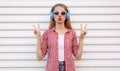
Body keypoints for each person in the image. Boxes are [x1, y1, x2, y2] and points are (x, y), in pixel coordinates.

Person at [33, 3, 87, 71]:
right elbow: (39, 58)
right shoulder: (47, 33)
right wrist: (38, 38)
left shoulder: (72, 33)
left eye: (63, 13)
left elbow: (78, 56)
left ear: (67, 15)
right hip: (52, 68)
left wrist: (81, 38)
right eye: (56, 13)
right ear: (52, 15)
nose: (59, 15)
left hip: (69, 68)